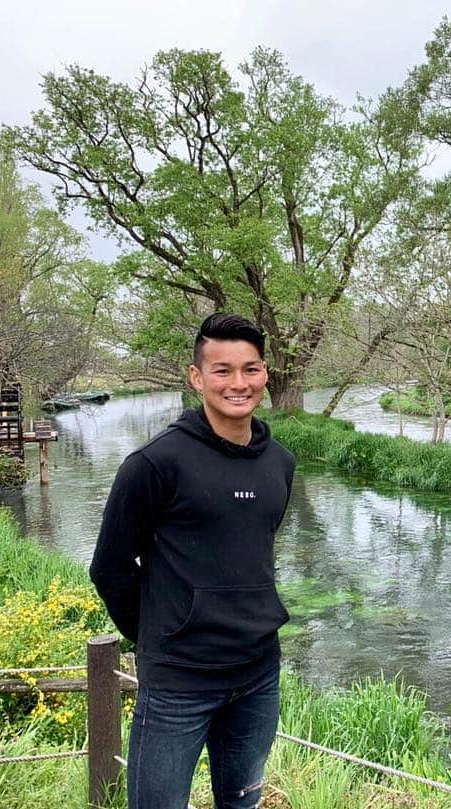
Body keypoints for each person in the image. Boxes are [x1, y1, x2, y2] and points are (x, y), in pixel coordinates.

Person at [90, 313, 296, 809]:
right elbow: (110, 567)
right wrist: (162, 634)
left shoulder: (280, 463)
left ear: (265, 374)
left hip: (257, 674)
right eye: (222, 371)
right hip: (178, 682)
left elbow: (253, 554)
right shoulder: (154, 464)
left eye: (250, 369)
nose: (238, 383)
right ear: (197, 378)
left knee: (243, 802)